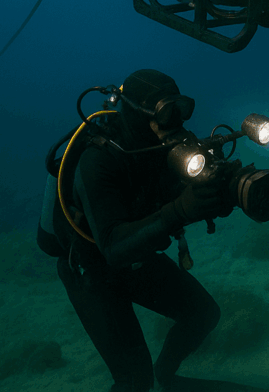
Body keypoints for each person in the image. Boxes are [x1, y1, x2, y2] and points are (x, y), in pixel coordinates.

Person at [49, 69, 241, 392]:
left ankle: (166, 375)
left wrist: (219, 196)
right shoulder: (97, 160)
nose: (176, 120)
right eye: (166, 111)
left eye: (181, 107)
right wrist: (181, 209)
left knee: (203, 314)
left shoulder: (165, 148)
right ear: (139, 114)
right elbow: (112, 247)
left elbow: (178, 198)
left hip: (138, 257)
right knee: (134, 381)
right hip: (92, 270)